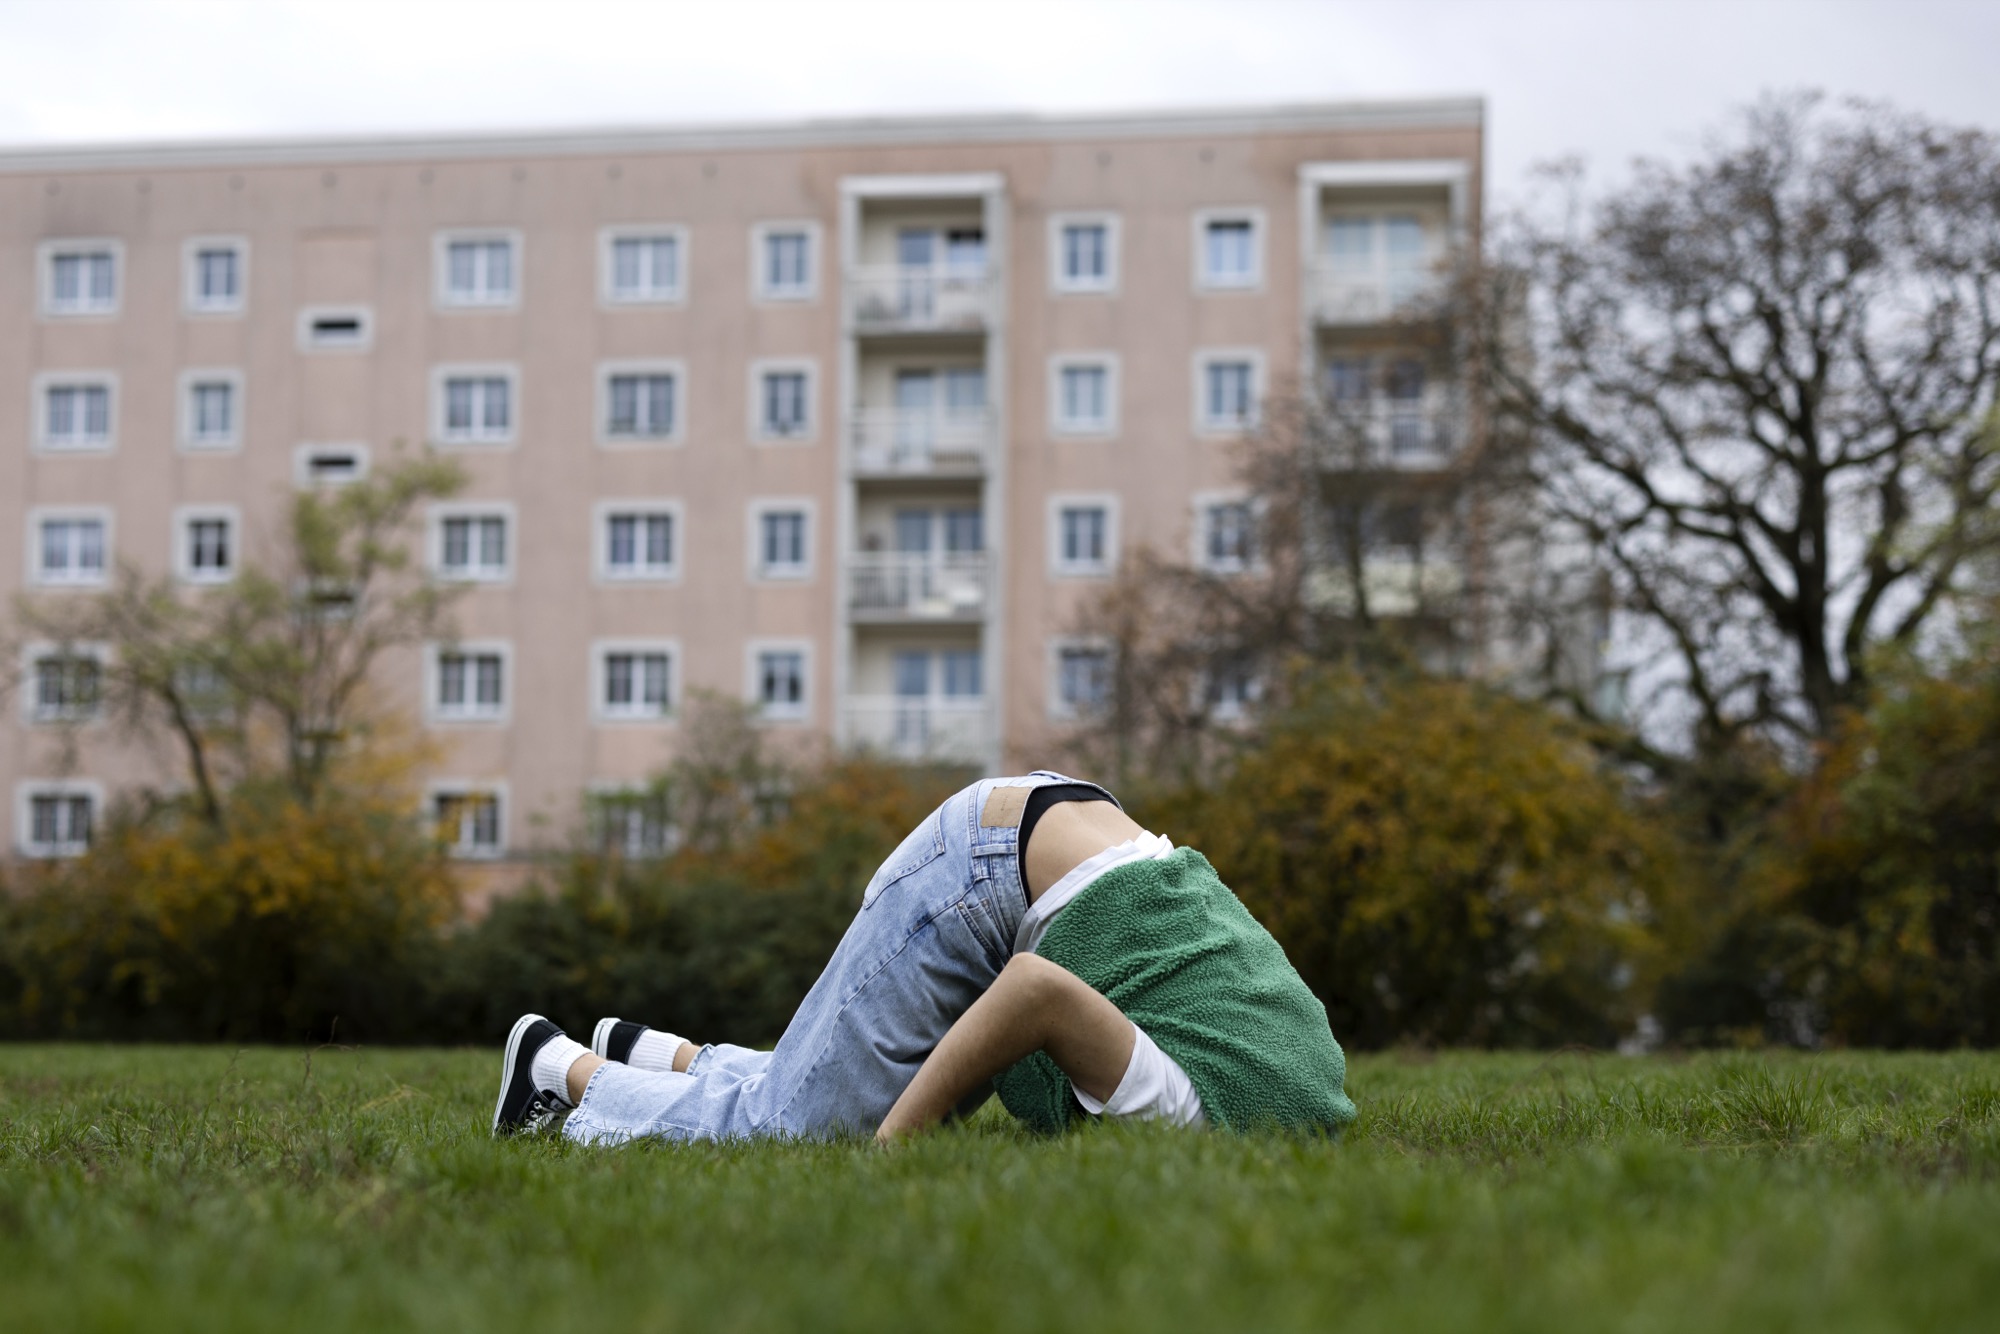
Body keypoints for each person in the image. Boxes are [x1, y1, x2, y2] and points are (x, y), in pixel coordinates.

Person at [492, 771, 1357, 1143]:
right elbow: (1035, 993)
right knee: (794, 1131)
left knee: (822, 1089)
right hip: (979, 878)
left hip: (1052, 838)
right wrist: (894, 1146)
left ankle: (655, 1057)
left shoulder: (1299, 1082)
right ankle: (558, 1070)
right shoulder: (1191, 1117)